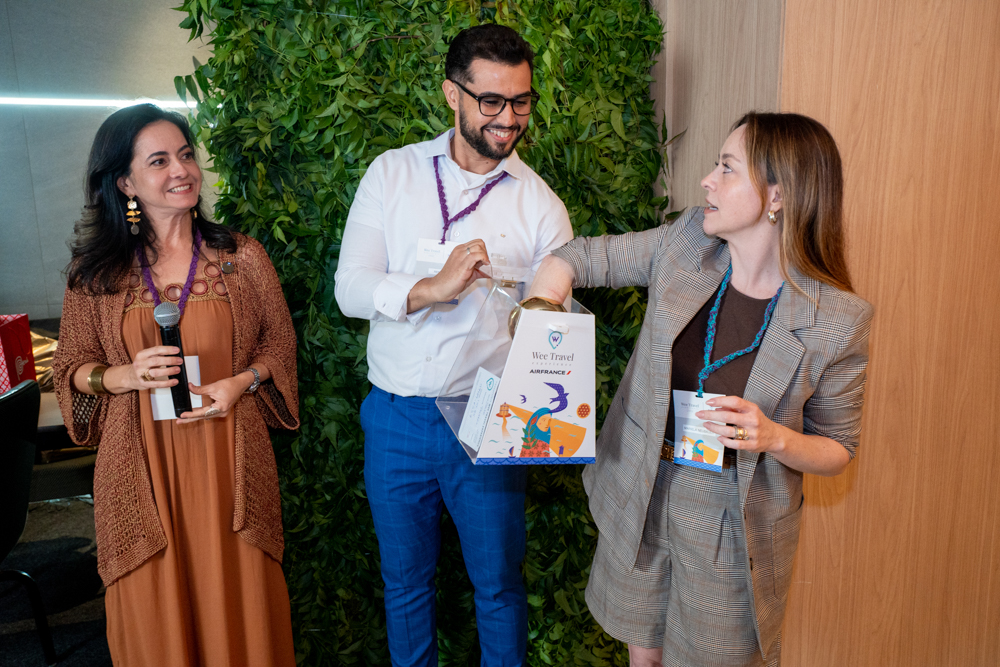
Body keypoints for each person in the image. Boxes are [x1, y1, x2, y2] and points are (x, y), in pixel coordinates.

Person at [529, 112, 873, 666]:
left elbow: (838, 450)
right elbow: (581, 257)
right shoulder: (688, 242)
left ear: (777, 196)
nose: (709, 181)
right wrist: (544, 309)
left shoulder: (837, 318)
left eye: (727, 168)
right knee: (644, 655)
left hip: (730, 520)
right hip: (643, 485)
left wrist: (774, 438)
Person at [335, 24, 573, 666]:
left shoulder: (542, 206)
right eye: (491, 101)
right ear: (452, 94)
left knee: (498, 586)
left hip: (490, 415)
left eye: (521, 101)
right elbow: (351, 289)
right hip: (396, 415)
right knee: (405, 584)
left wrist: (541, 317)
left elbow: (553, 327)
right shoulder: (393, 173)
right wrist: (430, 288)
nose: (508, 118)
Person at [52, 103, 300, 666]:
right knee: (156, 617)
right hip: (141, 471)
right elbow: (68, 366)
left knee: (241, 609)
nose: (181, 170)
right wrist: (122, 375)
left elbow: (279, 348)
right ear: (125, 181)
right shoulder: (96, 273)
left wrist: (243, 381)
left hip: (229, 461)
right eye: (159, 160)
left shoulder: (242, 258)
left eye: (186, 155)